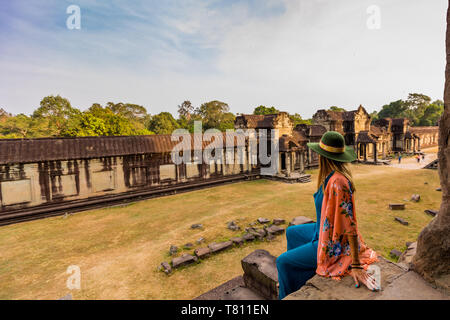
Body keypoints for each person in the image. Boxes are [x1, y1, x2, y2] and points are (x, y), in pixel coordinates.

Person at [276, 131, 379, 300]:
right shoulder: (329, 176)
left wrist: (356, 264)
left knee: (282, 262)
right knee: (291, 232)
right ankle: (293, 278)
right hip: (321, 229)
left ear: (323, 156)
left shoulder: (338, 182)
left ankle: (286, 291)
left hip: (331, 242)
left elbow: (350, 225)